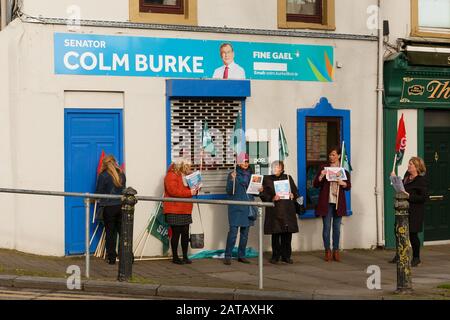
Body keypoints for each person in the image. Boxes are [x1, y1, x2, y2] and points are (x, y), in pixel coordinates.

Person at [313, 146, 351, 262]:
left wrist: (343, 183)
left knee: (337, 228)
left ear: (339, 156)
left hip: (338, 202)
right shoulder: (324, 168)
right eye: (330, 154)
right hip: (327, 202)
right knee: (326, 228)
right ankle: (327, 250)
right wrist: (321, 175)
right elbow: (315, 184)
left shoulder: (343, 169)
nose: (331, 157)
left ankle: (336, 250)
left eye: (334, 154)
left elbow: (348, 186)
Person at [390, 157, 428, 267]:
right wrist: (394, 179)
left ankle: (416, 258)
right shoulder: (407, 177)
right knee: (398, 232)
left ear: (417, 167)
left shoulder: (421, 180)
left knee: (412, 234)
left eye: (411, 164)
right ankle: (400, 254)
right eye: (409, 163)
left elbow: (423, 197)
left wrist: (409, 196)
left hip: (415, 211)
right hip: (402, 210)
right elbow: (400, 187)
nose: (408, 165)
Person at [260, 160, 299, 264]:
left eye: (277, 167)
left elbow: (295, 191)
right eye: (274, 167)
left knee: (287, 234)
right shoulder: (267, 179)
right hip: (275, 211)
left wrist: (293, 195)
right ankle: (275, 256)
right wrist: (272, 198)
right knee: (276, 234)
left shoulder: (288, 178)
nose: (275, 169)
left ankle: (286, 256)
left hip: (287, 210)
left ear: (282, 169)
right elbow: (263, 195)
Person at [224, 152, 259, 265]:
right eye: (244, 161)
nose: (246, 163)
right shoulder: (233, 174)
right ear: (238, 163)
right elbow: (229, 191)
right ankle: (228, 256)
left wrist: (260, 190)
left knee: (245, 234)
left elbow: (255, 193)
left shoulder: (253, 175)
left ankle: (241, 255)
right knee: (233, 233)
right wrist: (231, 180)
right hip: (236, 207)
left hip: (248, 207)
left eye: (247, 161)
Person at [164, 158, 200, 265]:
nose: (189, 169)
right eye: (187, 166)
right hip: (174, 209)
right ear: (181, 166)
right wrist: (190, 192)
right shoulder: (171, 175)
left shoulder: (185, 176)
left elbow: (190, 190)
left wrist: (196, 187)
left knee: (185, 233)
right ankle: (175, 257)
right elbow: (173, 191)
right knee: (176, 234)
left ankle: (185, 256)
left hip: (185, 208)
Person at [95, 155, 126, 265]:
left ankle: (112, 258)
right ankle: (127, 257)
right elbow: (123, 190)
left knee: (110, 233)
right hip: (121, 207)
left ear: (105, 164)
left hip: (109, 207)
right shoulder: (121, 174)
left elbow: (98, 192)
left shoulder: (103, 176)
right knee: (123, 233)